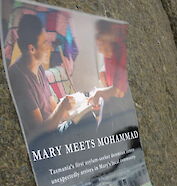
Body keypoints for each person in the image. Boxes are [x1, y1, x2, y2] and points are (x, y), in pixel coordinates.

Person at [8, 14, 75, 142]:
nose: (49, 47)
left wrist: (72, 113)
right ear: (31, 49)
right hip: (42, 142)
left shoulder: (39, 68)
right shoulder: (18, 77)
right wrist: (62, 108)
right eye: (44, 42)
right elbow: (40, 131)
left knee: (86, 119)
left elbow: (51, 104)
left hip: (53, 131)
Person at [89, 20, 128, 108]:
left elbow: (119, 91)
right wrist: (102, 94)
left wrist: (100, 93)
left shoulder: (122, 50)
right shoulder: (108, 49)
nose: (101, 51)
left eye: (105, 49)